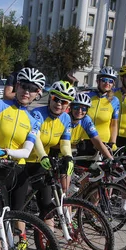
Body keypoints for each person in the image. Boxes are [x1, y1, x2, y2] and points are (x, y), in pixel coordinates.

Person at [0, 67, 44, 211]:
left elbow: (26, 152)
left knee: (16, 215)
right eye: (24, 86)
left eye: (32, 89)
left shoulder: (34, 121)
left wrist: (5, 151)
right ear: (17, 86)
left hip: (19, 170)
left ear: (37, 93)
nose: (27, 92)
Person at [29, 80, 74, 215]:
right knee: (20, 205)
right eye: (56, 99)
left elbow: (65, 143)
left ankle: (49, 235)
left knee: (47, 208)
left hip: (43, 164)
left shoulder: (66, 119)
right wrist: (42, 155)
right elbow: (35, 137)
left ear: (68, 105)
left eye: (64, 102)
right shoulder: (37, 113)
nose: (59, 104)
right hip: (26, 161)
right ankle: (21, 236)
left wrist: (68, 158)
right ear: (50, 98)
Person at [86, 67, 120, 147]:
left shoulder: (114, 100)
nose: (107, 83)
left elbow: (114, 124)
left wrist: (113, 142)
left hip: (104, 141)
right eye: (104, 80)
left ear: (113, 84)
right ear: (98, 81)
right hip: (85, 139)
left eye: (110, 81)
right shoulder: (88, 96)